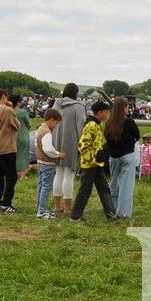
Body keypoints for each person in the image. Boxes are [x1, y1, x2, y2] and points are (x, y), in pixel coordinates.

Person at [70, 101, 117, 222]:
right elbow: (82, 146)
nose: (108, 114)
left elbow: (95, 144)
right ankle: (75, 217)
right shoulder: (91, 125)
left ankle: (111, 215)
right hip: (89, 165)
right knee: (85, 190)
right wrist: (91, 160)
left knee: (103, 189)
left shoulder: (98, 124)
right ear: (99, 113)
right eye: (107, 112)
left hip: (97, 163)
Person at [52, 83, 87, 216]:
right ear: (75, 93)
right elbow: (81, 126)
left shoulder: (55, 105)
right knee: (69, 174)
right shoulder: (77, 107)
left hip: (56, 141)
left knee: (59, 173)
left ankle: (57, 205)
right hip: (72, 143)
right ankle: (68, 206)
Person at [104, 97, 140, 219]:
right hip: (127, 155)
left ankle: (111, 208)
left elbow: (107, 138)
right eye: (127, 106)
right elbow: (137, 136)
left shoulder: (108, 122)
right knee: (126, 185)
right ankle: (123, 213)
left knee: (113, 183)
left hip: (113, 157)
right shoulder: (129, 122)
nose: (128, 109)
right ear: (123, 108)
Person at [0, 87, 20, 213]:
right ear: (3, 97)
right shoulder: (7, 110)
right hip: (7, 147)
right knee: (11, 177)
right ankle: (6, 204)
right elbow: (17, 125)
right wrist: (11, 108)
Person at [34, 109, 65, 219]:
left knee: (41, 186)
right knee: (46, 187)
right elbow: (48, 149)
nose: (56, 126)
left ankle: (40, 208)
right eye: (56, 123)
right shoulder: (47, 132)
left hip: (40, 162)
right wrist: (58, 154)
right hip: (47, 163)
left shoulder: (39, 129)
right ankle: (42, 211)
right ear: (51, 120)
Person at [11, 94, 32, 179]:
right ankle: (22, 175)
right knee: (23, 155)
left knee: (14, 155)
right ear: (18, 102)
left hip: (12, 135)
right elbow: (29, 124)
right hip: (22, 134)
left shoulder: (9, 111)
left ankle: (15, 174)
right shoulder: (23, 112)